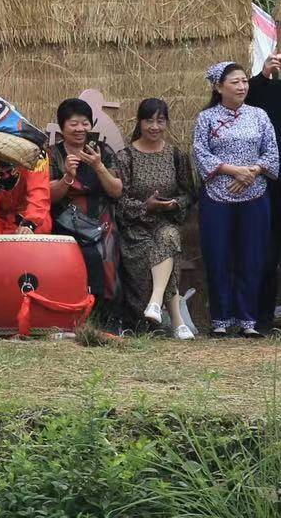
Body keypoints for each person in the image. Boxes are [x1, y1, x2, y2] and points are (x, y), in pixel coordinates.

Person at [191, 63, 278, 337]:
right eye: (235, 82)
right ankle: (220, 319)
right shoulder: (206, 118)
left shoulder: (259, 115)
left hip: (255, 194)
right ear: (219, 88)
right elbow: (200, 153)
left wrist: (252, 171)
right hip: (217, 196)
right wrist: (233, 171)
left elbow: (272, 153)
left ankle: (248, 320)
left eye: (244, 81)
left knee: (251, 256)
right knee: (218, 255)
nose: (242, 87)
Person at [114, 98, 195, 335]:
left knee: (169, 237)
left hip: (165, 222)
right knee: (156, 250)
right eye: (149, 120)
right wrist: (145, 207)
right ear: (139, 122)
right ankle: (175, 320)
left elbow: (189, 194)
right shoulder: (125, 156)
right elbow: (119, 200)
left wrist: (172, 205)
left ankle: (156, 303)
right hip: (135, 227)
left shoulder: (175, 155)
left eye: (160, 121)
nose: (155, 126)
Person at [50, 94, 124, 327]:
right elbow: (47, 195)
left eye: (85, 123)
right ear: (62, 127)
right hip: (64, 221)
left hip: (101, 219)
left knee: (106, 254)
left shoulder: (102, 150)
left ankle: (106, 320)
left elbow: (116, 190)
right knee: (71, 261)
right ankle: (71, 318)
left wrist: (99, 167)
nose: (80, 128)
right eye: (73, 123)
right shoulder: (52, 154)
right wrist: (67, 178)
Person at [246, 52, 281, 327]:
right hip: (271, 183)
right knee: (267, 250)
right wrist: (263, 75)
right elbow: (243, 102)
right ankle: (263, 316)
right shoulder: (269, 90)